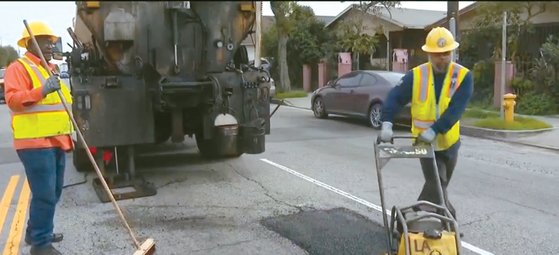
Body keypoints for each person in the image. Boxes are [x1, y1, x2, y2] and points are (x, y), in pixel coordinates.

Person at [379, 27, 473, 226]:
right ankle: (420, 218)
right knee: (437, 183)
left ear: (452, 53)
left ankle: (441, 221)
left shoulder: (464, 76)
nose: (442, 59)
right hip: (424, 145)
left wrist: (435, 130)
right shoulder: (417, 75)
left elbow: (456, 110)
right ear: (429, 54)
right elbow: (395, 98)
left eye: (446, 54)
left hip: (450, 144)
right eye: (437, 55)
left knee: (441, 186)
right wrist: (387, 123)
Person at [3, 21, 74, 255]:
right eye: (45, 41)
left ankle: (37, 231)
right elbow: (13, 99)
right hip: (34, 143)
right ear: (30, 43)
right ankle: (40, 244)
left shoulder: (50, 68)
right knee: (44, 193)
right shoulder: (19, 68)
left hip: (56, 140)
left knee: (52, 192)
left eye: (51, 42)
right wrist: (41, 90)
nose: (50, 45)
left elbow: (62, 105)